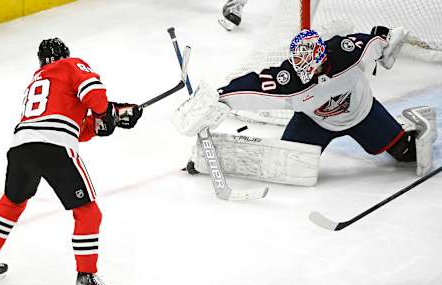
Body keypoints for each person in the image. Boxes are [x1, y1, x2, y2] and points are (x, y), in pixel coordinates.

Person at [0, 38, 143, 285]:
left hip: (21, 147)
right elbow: (95, 98)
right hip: (53, 147)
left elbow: (78, 126)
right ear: (66, 55)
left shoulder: (37, 81)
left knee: (13, 202)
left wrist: (106, 120)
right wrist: (109, 111)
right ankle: (85, 282)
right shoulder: (71, 65)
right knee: (88, 212)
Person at [175, 27, 437, 184]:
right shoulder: (290, 80)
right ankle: (208, 160)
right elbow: (253, 85)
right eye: (298, 66)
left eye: (308, 67)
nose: (304, 74)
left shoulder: (348, 53)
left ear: (322, 57)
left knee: (406, 155)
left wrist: (389, 41)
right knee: (285, 163)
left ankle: (412, 134)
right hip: (314, 123)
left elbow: (375, 41)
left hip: (363, 114)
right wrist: (219, 97)